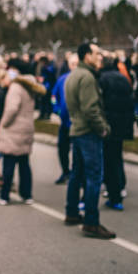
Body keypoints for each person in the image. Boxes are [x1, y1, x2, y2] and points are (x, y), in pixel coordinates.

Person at [64, 43, 116, 239]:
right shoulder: (86, 77)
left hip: (77, 130)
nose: (100, 57)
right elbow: (91, 109)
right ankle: (91, 222)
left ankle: (71, 212)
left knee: (76, 173)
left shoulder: (74, 75)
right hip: (87, 132)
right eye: (97, 54)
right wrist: (103, 128)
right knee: (94, 176)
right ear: (87, 56)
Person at [0, 58, 46, 205]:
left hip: (13, 129)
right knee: (24, 163)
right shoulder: (30, 85)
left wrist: (3, 123)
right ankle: (27, 194)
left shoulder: (16, 86)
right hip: (27, 128)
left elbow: (12, 108)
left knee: (8, 164)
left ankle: (4, 195)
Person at [99, 54, 134, 210]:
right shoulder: (123, 78)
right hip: (122, 124)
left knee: (108, 159)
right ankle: (121, 186)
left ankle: (113, 192)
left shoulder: (102, 79)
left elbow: (101, 103)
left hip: (109, 124)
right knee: (117, 157)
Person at [52, 53, 78, 184]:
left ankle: (76, 174)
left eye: (76, 64)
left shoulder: (83, 79)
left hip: (78, 123)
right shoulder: (62, 79)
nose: (74, 66)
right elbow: (53, 97)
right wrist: (56, 109)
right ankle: (65, 172)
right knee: (62, 149)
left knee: (77, 151)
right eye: (72, 64)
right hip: (64, 122)